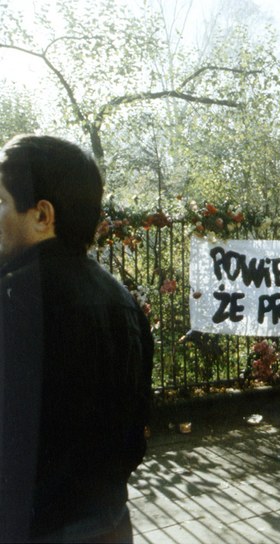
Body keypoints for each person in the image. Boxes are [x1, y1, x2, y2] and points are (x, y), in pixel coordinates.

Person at [0, 135, 153, 543]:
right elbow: (135, 434)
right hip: (109, 523)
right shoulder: (122, 302)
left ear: (42, 215)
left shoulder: (11, 301)